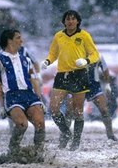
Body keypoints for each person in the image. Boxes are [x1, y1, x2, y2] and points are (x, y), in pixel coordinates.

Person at [41, 10, 100, 151]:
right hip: (62, 75)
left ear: (78, 21)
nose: (70, 21)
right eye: (68, 19)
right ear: (64, 21)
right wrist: (48, 61)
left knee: (77, 110)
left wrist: (85, 60)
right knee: (54, 109)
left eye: (73, 19)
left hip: (79, 75)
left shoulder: (84, 35)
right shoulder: (59, 36)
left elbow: (95, 54)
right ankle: (66, 132)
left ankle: (76, 141)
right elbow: (53, 53)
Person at [0, 29, 45, 161]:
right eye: (18, 38)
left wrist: (40, 98)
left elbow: (33, 79)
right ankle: (13, 151)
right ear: (9, 41)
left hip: (28, 94)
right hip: (12, 95)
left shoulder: (25, 59)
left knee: (40, 123)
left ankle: (38, 153)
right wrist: (2, 105)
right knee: (22, 125)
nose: (22, 40)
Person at [66, 56, 117, 141]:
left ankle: (110, 135)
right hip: (78, 87)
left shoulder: (98, 56)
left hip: (94, 87)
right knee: (70, 111)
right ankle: (66, 134)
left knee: (104, 110)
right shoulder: (75, 53)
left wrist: (107, 84)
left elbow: (105, 69)